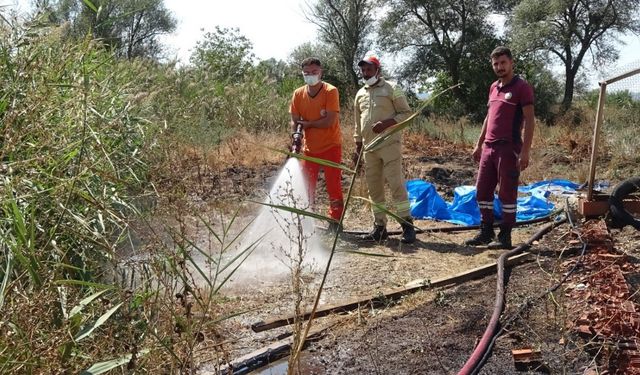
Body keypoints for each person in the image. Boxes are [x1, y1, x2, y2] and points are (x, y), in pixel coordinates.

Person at [465, 46, 536, 249]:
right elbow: (489, 117)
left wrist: (525, 151)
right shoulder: (493, 87)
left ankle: (505, 236)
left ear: (511, 63)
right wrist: (479, 144)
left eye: (503, 62)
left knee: (507, 193)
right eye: (496, 64)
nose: (499, 67)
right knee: (482, 191)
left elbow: (530, 120)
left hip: (509, 149)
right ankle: (486, 231)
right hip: (489, 148)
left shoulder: (522, 87)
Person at [353, 53, 416, 244]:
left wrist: (387, 123)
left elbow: (406, 114)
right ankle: (380, 228)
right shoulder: (360, 94)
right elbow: (357, 123)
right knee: (374, 189)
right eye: (363, 69)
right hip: (369, 148)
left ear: (377, 70)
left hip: (389, 145)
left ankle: (407, 226)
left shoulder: (392, 88)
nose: (365, 72)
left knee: (396, 185)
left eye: (369, 69)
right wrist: (357, 146)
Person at [289, 57, 344, 231]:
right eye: (306, 73)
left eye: (314, 72)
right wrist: (296, 135)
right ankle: (307, 219)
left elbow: (329, 120)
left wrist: (308, 124)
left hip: (331, 146)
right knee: (307, 186)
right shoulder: (298, 94)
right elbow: (295, 120)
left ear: (321, 72)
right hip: (309, 149)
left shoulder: (330, 91)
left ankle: (335, 221)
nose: (310, 75)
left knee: (333, 185)